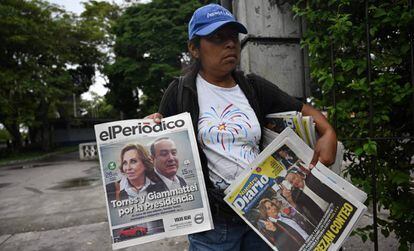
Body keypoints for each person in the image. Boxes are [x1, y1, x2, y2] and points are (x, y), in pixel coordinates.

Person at [146, 3, 337, 250]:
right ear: (194, 48)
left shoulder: (253, 87)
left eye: (233, 37)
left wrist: (329, 132)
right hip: (214, 228)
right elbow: (162, 139)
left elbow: (307, 112)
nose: (229, 44)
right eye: (217, 38)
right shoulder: (181, 91)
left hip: (260, 217)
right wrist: (152, 125)